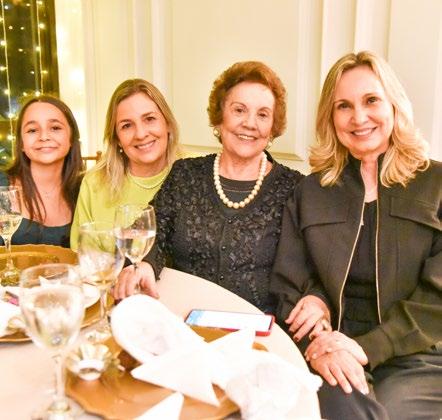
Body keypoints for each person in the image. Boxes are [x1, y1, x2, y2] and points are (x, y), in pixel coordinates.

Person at [270, 51, 442, 420]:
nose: (359, 117)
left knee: (391, 410)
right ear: (330, 118)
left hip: (418, 352)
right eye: (344, 106)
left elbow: (438, 297)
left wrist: (368, 347)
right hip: (333, 345)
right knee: (344, 406)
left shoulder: (437, 184)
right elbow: (289, 284)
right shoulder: (311, 192)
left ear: (393, 105)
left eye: (371, 100)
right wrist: (318, 330)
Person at [113, 61, 307, 317]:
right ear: (219, 117)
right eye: (239, 110)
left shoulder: (294, 188)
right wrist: (145, 264)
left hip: (256, 330)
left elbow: (308, 273)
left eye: (262, 114)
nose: (250, 123)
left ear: (272, 127)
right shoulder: (185, 174)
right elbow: (148, 233)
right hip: (180, 321)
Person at [70, 78, 182, 250]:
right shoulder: (95, 183)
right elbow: (84, 255)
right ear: (117, 139)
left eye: (149, 119)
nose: (141, 134)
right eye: (127, 125)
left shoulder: (197, 172)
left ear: (167, 123)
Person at [0, 95, 83, 247]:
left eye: (55, 128)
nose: (44, 137)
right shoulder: (2, 185)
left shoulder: (85, 191)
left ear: (71, 138)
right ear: (21, 143)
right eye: (32, 130)